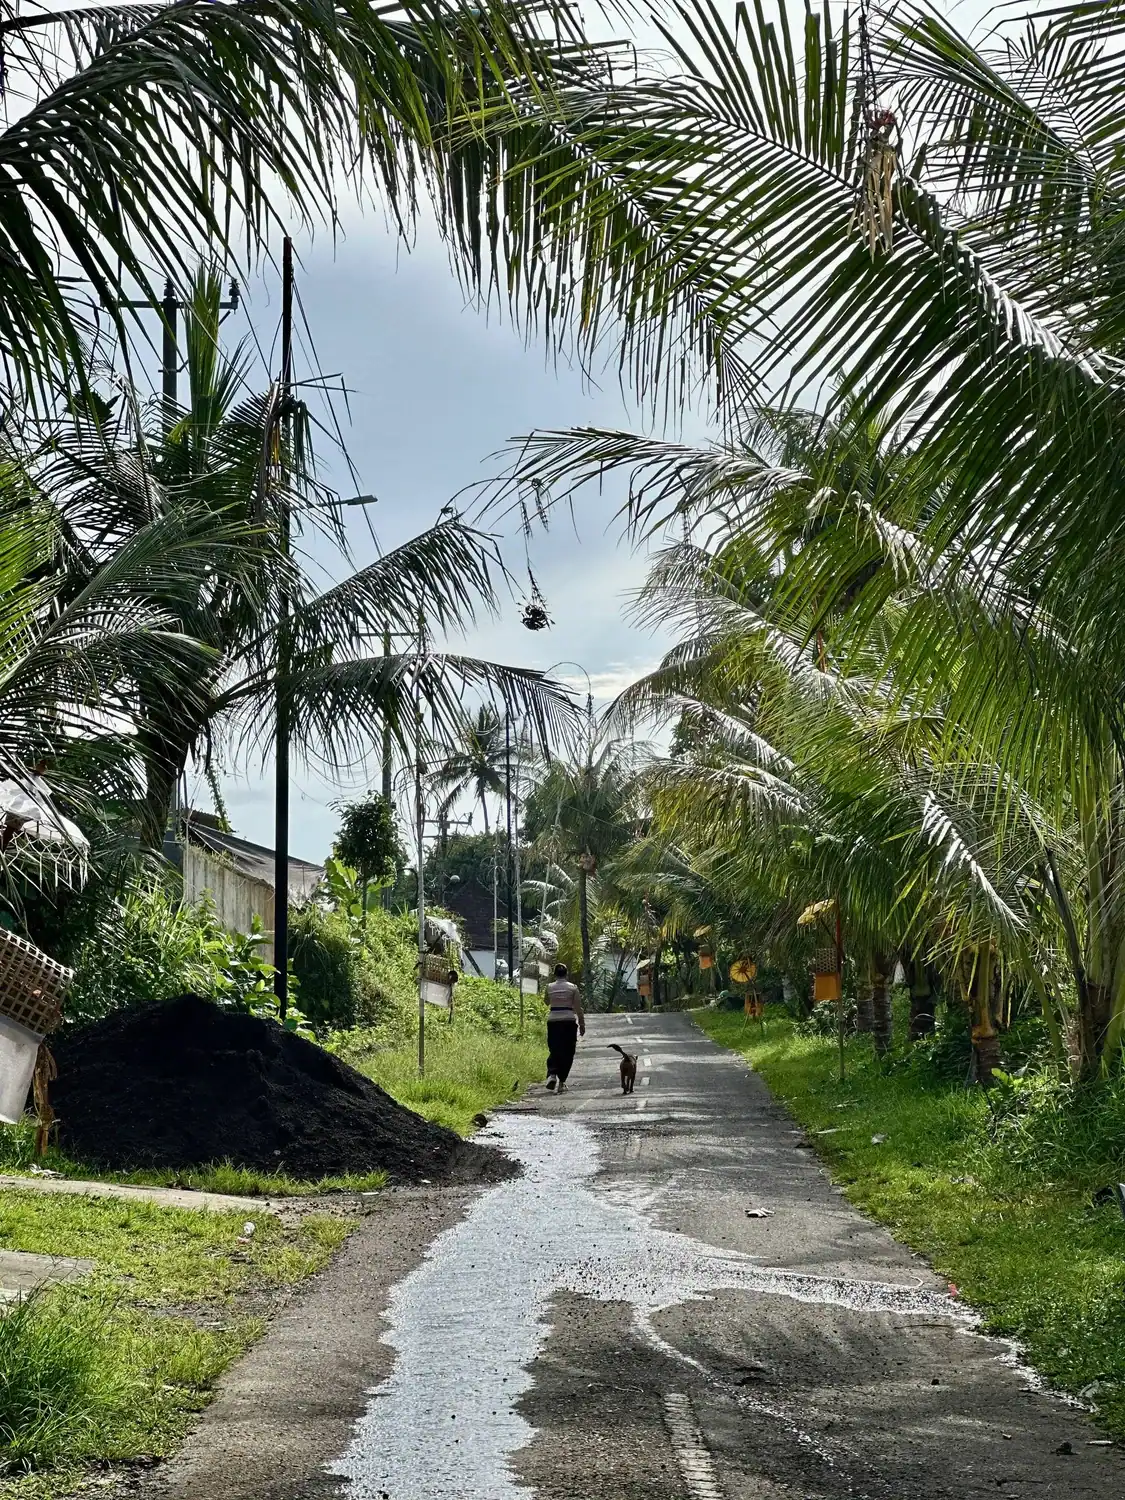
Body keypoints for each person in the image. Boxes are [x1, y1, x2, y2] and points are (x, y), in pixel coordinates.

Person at [545, 962, 585, 1093]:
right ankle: (562, 1082)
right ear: (566, 974)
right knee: (568, 1051)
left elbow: (546, 1002)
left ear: (555, 974)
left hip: (553, 1021)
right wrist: (582, 1024)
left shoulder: (549, 987)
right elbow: (578, 1008)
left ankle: (552, 1074)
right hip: (568, 1021)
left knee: (554, 1049)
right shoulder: (573, 988)